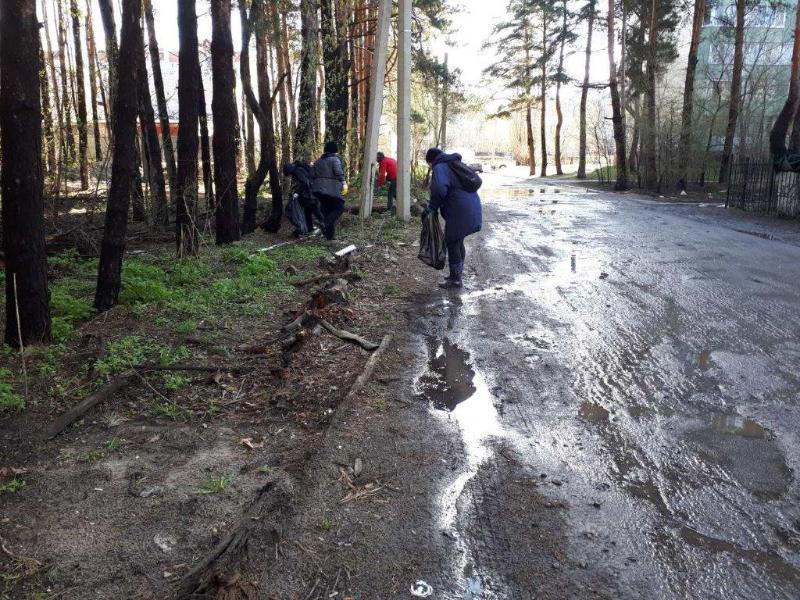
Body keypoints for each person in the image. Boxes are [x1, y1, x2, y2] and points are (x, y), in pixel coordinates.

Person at [423, 147, 483, 289]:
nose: (430, 167)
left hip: (460, 209)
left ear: (431, 161)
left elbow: (439, 189)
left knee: (452, 242)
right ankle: (456, 275)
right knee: (458, 240)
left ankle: (455, 280)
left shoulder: (440, 166)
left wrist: (432, 207)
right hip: (471, 206)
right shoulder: (453, 163)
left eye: (429, 165)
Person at [312, 141, 347, 240]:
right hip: (331, 189)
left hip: (318, 190)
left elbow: (313, 175)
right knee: (339, 208)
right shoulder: (334, 159)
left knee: (327, 211)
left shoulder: (318, 161)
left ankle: (330, 237)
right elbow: (338, 172)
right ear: (335, 150)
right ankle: (324, 223)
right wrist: (344, 183)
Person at [283, 161, 324, 237]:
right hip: (311, 194)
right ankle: (310, 229)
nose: (289, 176)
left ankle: (326, 228)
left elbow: (304, 183)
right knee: (307, 211)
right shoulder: (299, 169)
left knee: (316, 211)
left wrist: (297, 193)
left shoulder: (297, 171)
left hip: (310, 195)